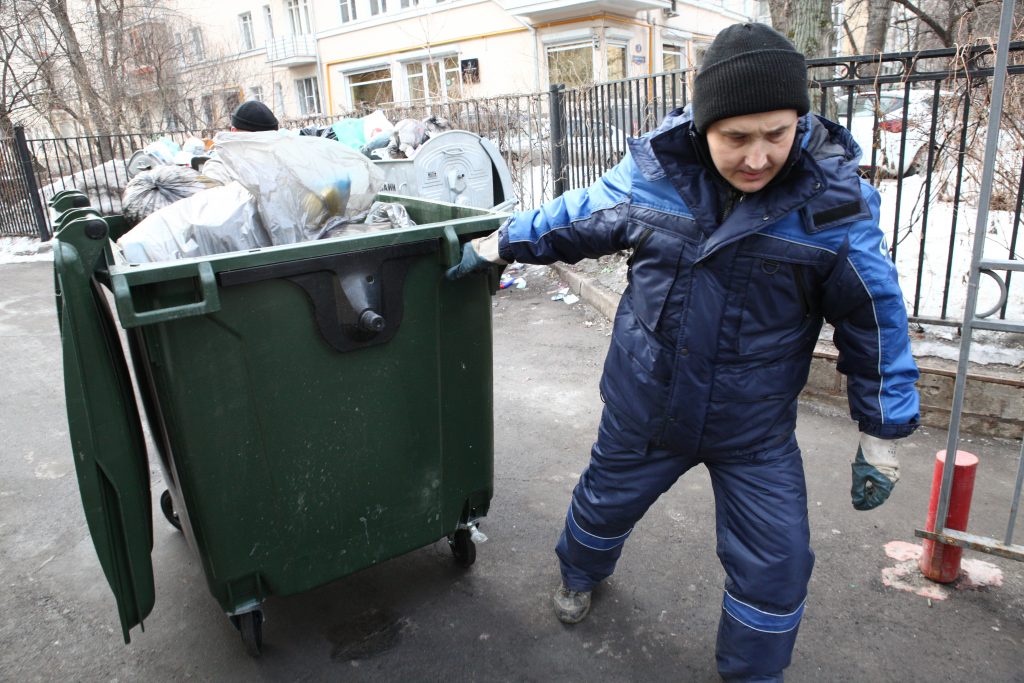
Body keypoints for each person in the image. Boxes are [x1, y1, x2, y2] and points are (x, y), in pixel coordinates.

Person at [448, 22, 920, 683]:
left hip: (753, 429)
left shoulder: (832, 208)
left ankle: (752, 673)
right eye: (737, 137)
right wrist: (500, 244)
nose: (758, 156)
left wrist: (882, 432)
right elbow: (575, 216)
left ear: (800, 122)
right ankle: (581, 573)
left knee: (777, 561)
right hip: (646, 407)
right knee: (602, 505)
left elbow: (876, 319)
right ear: (704, 127)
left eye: (776, 133)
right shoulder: (657, 177)